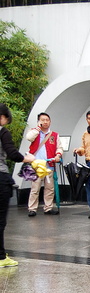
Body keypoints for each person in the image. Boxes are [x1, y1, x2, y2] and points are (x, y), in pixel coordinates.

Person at [0, 104, 36, 267]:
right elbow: (12, 153)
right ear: (3, 117)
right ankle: (0, 257)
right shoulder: (3, 131)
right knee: (0, 219)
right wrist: (27, 159)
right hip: (0, 178)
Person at [26, 112, 62, 216]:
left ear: (50, 121)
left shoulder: (54, 135)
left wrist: (58, 155)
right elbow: (29, 138)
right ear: (39, 121)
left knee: (49, 188)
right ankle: (32, 209)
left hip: (49, 164)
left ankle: (48, 208)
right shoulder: (34, 132)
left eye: (47, 120)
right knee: (35, 188)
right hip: (36, 165)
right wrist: (38, 129)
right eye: (42, 120)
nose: (45, 122)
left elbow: (59, 147)